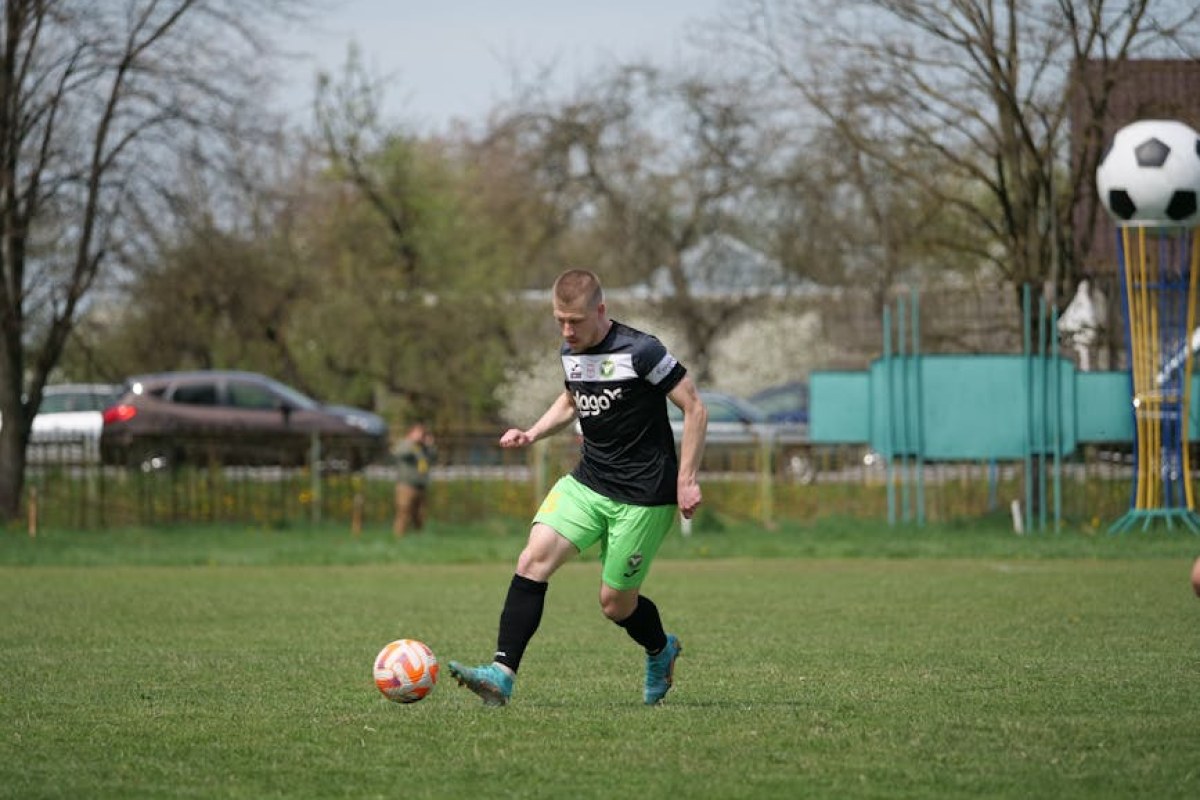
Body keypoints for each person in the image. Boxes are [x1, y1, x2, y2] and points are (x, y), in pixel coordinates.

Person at [448, 269, 708, 706]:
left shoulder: (641, 351)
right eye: (560, 321)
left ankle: (661, 649)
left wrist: (686, 480)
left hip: (643, 495)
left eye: (576, 321)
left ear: (600, 311)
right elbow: (571, 400)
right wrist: (532, 433)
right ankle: (501, 674)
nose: (567, 331)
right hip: (589, 481)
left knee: (615, 605)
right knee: (532, 559)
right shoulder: (571, 352)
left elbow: (695, 407)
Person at [392, 422, 435, 537]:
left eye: (423, 434)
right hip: (406, 485)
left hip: (420, 485)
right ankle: (399, 536)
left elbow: (432, 458)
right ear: (411, 433)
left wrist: (430, 446)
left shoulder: (423, 448)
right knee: (404, 512)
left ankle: (418, 536)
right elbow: (400, 454)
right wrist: (412, 442)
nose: (421, 436)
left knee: (420, 514)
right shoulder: (405, 444)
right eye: (419, 433)